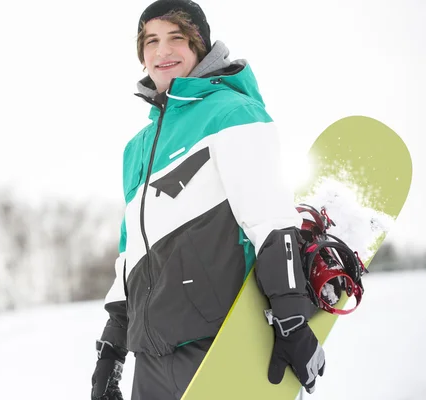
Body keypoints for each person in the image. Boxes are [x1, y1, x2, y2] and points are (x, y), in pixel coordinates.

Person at [90, 1, 325, 399]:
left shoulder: (232, 113)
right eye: (151, 41)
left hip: (219, 345)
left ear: (200, 46)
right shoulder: (138, 148)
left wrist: (291, 319)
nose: (162, 52)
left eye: (176, 38)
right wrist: (112, 348)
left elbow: (268, 217)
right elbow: (131, 253)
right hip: (152, 357)